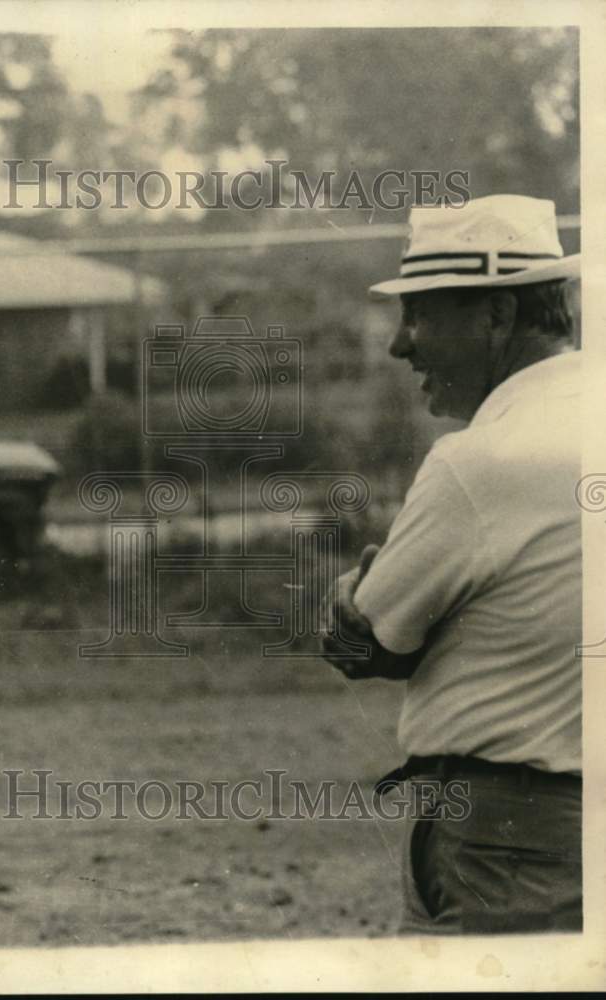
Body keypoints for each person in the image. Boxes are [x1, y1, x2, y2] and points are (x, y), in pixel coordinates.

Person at [321, 194, 582, 934]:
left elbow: (366, 642)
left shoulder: (479, 462)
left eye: (422, 314)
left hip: (509, 847)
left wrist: (354, 614)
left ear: (497, 317)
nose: (402, 345)